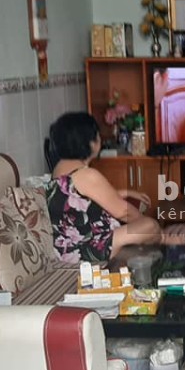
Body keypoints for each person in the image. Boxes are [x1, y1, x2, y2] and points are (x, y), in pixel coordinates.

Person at [46, 112, 160, 263]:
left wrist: (125, 192)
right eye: (97, 135)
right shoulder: (86, 175)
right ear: (91, 142)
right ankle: (163, 244)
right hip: (87, 250)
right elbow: (124, 212)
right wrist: (149, 228)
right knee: (150, 225)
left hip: (68, 248)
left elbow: (80, 197)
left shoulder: (59, 169)